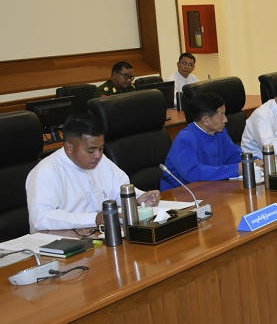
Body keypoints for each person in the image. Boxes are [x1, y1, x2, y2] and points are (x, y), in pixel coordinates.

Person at [25, 114, 160, 232]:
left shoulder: (100, 161)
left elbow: (117, 189)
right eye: (91, 150)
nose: (98, 155)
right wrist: (94, 218)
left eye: (101, 149)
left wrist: (137, 198)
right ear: (69, 148)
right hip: (59, 246)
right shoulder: (46, 171)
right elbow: (41, 218)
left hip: (97, 235)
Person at [163, 93, 257, 190]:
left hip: (211, 187)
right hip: (180, 194)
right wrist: (236, 169)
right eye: (221, 115)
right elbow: (193, 173)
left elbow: (233, 154)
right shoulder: (185, 139)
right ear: (205, 120)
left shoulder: (220, 132)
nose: (225, 119)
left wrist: (252, 161)